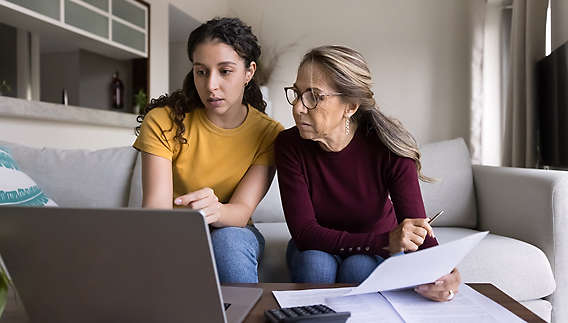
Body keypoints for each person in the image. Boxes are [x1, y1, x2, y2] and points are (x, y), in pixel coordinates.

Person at [275, 45, 461, 301]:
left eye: (313, 97)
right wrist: (385, 241)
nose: (298, 107)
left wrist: (444, 273)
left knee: (358, 266)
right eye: (297, 94)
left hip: (373, 250)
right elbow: (305, 233)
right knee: (316, 263)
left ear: (350, 106)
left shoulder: (389, 147)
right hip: (318, 245)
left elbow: (415, 228)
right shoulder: (289, 145)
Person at [133, 17, 283, 283]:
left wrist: (213, 210)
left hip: (233, 230)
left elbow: (241, 211)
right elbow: (156, 209)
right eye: (201, 71)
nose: (211, 85)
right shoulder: (163, 121)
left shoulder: (269, 133)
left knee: (227, 242)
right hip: (173, 230)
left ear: (249, 72)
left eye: (225, 71)